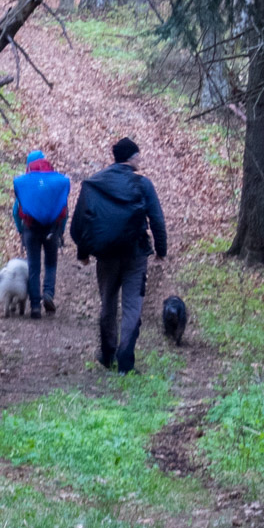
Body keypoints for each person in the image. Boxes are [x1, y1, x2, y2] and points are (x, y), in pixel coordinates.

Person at [70, 136, 168, 373]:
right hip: (135, 254)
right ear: (132, 157)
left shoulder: (95, 183)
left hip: (106, 255)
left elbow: (81, 221)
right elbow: (156, 218)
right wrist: (161, 250)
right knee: (133, 305)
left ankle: (107, 353)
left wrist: (83, 252)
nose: (140, 159)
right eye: (138, 155)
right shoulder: (142, 184)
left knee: (108, 303)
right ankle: (125, 361)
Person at [11, 149, 70, 319]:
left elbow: (16, 211)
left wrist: (21, 230)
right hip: (52, 229)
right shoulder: (55, 184)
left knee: (34, 266)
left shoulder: (26, 185)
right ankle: (48, 294)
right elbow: (64, 211)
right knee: (51, 264)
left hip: (31, 229)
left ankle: (35, 306)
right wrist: (61, 231)